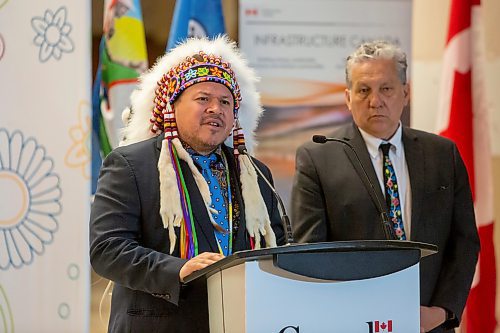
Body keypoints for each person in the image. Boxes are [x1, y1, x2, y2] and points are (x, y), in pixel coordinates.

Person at [90, 36, 284, 332]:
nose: (215, 109)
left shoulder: (254, 174)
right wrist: (177, 269)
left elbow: (278, 246)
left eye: (225, 102)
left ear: (235, 117)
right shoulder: (130, 165)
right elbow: (108, 250)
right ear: (171, 106)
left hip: (240, 322)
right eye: (203, 98)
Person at [291, 41, 479, 333]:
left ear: (406, 93)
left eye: (386, 89)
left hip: (430, 324)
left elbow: (464, 241)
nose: (375, 100)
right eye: (363, 90)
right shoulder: (318, 157)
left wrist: (441, 312)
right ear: (348, 97)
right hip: (352, 324)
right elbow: (311, 252)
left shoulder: (443, 154)